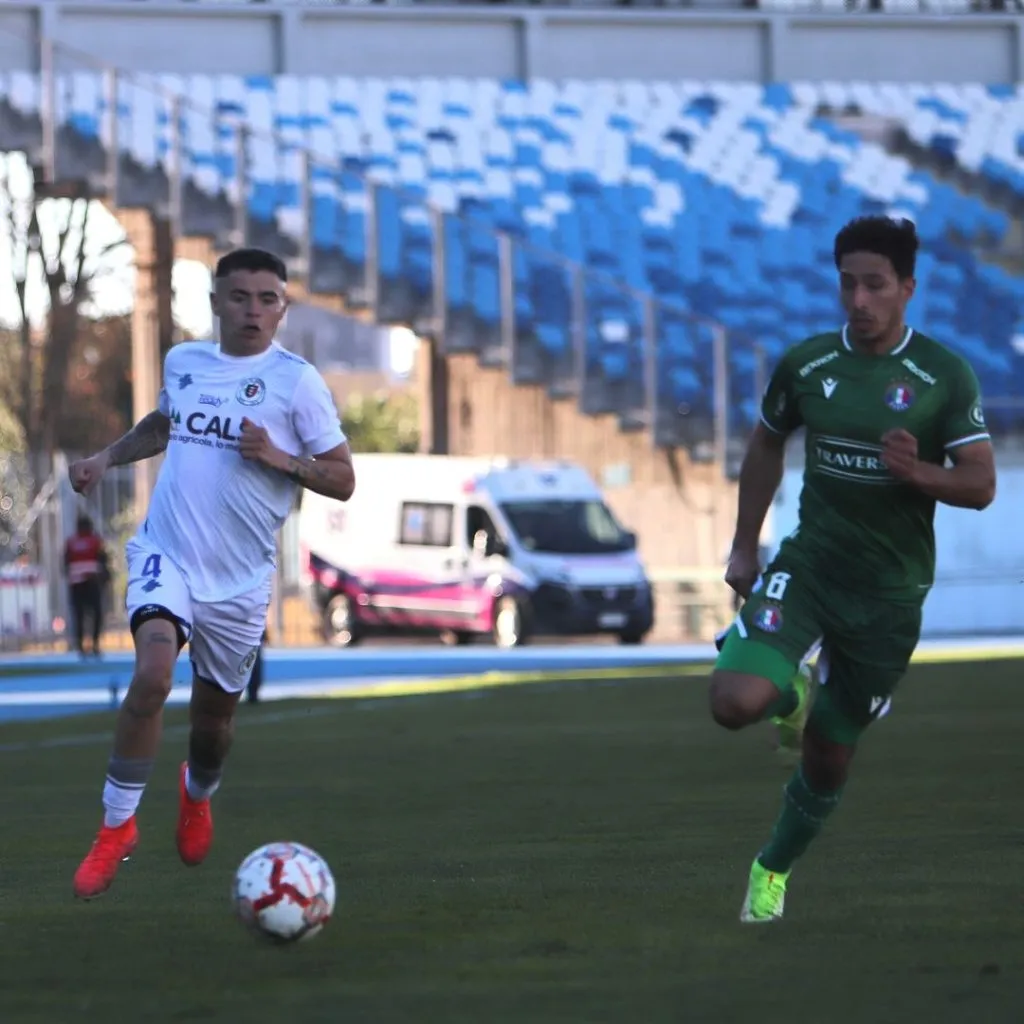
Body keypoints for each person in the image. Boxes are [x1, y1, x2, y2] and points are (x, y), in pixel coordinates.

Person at [710, 216, 996, 924]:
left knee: (829, 759)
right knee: (734, 701)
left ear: (907, 288)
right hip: (811, 564)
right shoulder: (808, 364)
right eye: (848, 284)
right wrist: (746, 545)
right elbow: (767, 445)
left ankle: (770, 870)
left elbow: (982, 484)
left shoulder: (942, 376)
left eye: (875, 285)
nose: (859, 300)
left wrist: (918, 471)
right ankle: (790, 691)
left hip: (889, 598)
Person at [67, 247, 355, 901]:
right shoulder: (185, 362)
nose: (254, 310)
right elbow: (164, 424)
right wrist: (105, 458)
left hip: (241, 583)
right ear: (216, 302)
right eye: (240, 297)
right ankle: (116, 829)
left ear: (283, 308)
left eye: (268, 299)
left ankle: (196, 794)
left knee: (213, 730)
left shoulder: (298, 384)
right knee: (151, 673)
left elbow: (342, 478)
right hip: (166, 555)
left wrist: (284, 460)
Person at [64, 513, 109, 657]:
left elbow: (65, 564)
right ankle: (95, 644)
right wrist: (104, 578)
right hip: (92, 583)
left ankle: (80, 645)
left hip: (76, 584)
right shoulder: (95, 541)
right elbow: (103, 561)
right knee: (96, 614)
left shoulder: (71, 542)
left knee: (79, 615)